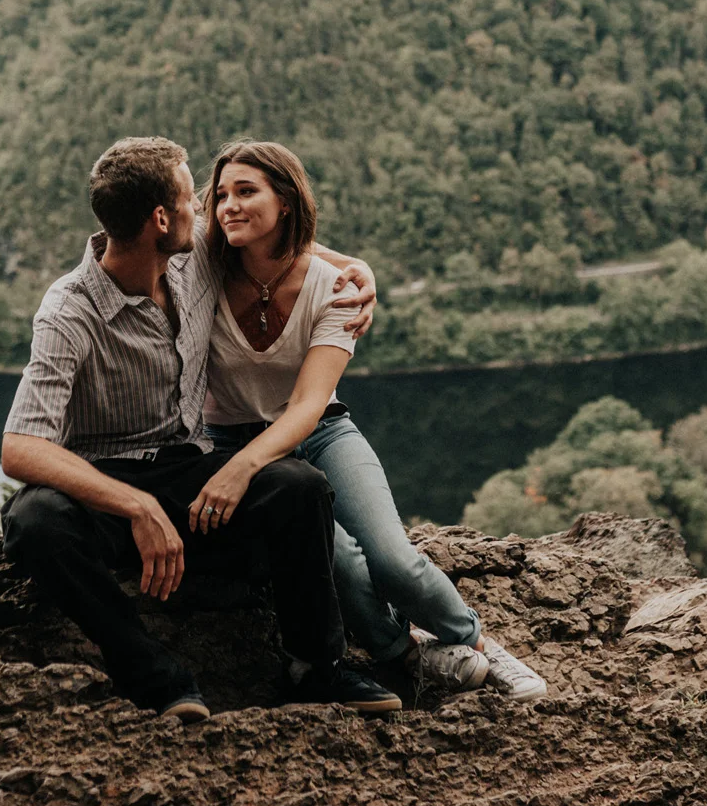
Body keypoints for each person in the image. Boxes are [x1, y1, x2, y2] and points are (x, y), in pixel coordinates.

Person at [0, 136, 403, 721]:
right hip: (104, 487)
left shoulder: (191, 260)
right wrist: (137, 507)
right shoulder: (68, 309)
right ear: (161, 219)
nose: (208, 211)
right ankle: (157, 679)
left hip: (187, 468)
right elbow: (20, 447)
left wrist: (355, 269)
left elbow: (279, 242)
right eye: (194, 200)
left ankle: (316, 668)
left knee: (299, 488)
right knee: (34, 521)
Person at [185, 140, 548, 702]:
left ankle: (472, 641)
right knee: (345, 566)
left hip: (322, 431)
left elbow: (309, 404)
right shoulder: (204, 269)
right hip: (234, 438)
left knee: (393, 558)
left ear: (285, 201)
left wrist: (240, 471)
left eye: (246, 191)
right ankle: (403, 654)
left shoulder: (335, 289)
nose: (228, 205)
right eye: (222, 195)